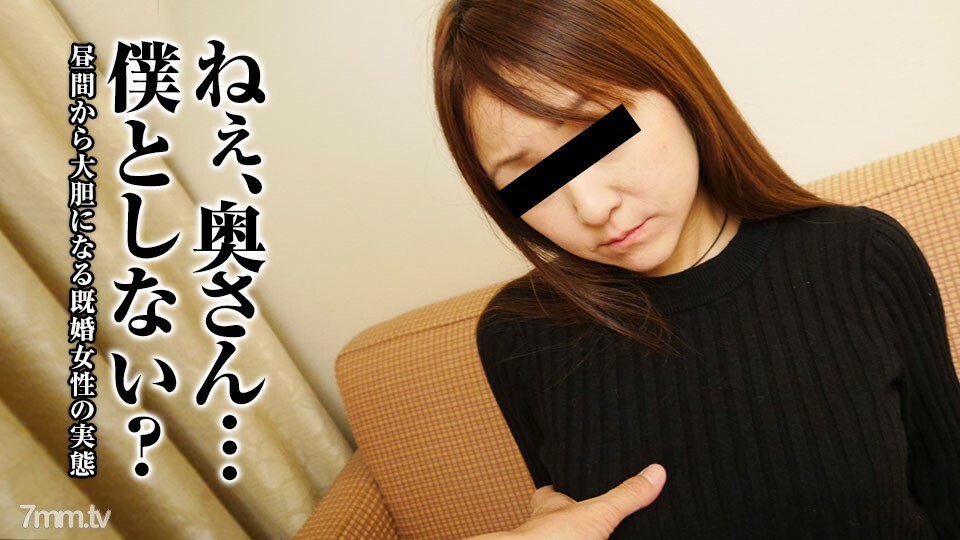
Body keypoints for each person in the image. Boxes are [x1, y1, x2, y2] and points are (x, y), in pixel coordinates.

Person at [431, 1, 960, 538]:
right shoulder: (520, 335)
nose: (591, 207)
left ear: (678, 88)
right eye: (529, 176)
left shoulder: (861, 254)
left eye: (597, 131)